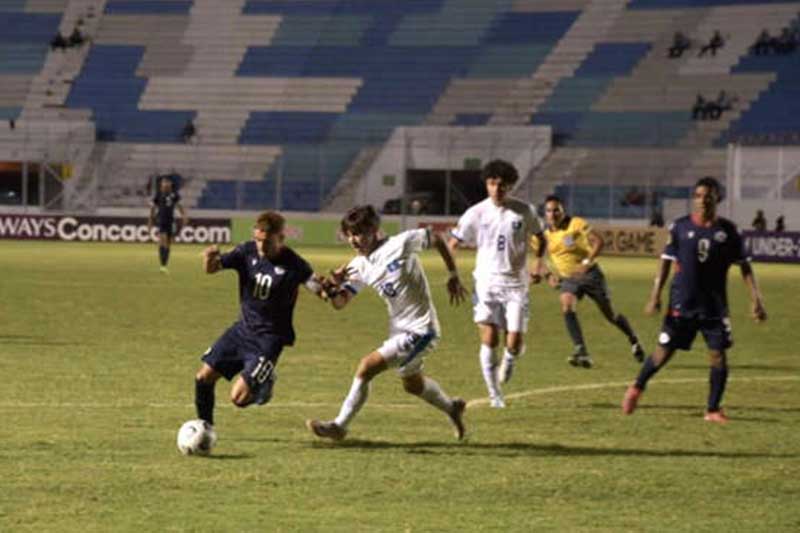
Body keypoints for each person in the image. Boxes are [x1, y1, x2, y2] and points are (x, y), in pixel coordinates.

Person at [306, 205, 469, 441]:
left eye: (359, 233)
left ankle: (339, 426)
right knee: (412, 385)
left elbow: (437, 239)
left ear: (374, 230)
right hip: (399, 331)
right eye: (349, 234)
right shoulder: (358, 265)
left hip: (421, 329)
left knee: (366, 367)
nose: (354, 240)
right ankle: (452, 407)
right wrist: (332, 288)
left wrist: (453, 275)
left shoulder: (400, 243)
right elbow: (341, 303)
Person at [622, 176, 767, 423]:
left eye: (707, 195)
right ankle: (636, 388)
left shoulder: (728, 231)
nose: (702, 200)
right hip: (682, 303)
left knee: (718, 355)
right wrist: (655, 295)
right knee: (662, 353)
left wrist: (756, 299)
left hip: (714, 306)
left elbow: (744, 267)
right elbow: (665, 263)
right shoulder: (679, 227)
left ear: (716, 198)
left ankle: (712, 410)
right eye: (698, 196)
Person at [194, 211, 330, 430]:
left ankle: (265, 383)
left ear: (281, 238)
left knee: (238, 399)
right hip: (242, 330)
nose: (261, 246)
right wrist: (209, 258)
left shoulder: (295, 264)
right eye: (258, 240)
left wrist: (329, 288)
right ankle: (204, 428)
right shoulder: (245, 252)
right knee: (203, 377)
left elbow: (320, 291)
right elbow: (211, 269)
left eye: (267, 242)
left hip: (269, 340)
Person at [447, 159, 546, 408]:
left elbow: (540, 238)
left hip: (516, 285)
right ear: (486, 184)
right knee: (489, 338)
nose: (496, 189)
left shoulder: (524, 211)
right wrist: (453, 275)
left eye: (502, 185)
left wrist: (538, 263)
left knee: (513, 341)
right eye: (492, 184)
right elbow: (453, 244)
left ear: (510, 185)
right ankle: (495, 395)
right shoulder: (476, 213)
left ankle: (510, 359)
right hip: (486, 283)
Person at [538, 195, 645, 368]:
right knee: (566, 304)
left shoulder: (576, 223)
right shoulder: (544, 236)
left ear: (563, 210)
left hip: (591, 275)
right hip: (569, 279)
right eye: (549, 210)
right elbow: (539, 262)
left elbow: (599, 241)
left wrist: (586, 263)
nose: (553, 214)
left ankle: (633, 339)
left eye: (556, 209)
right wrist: (548, 276)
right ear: (545, 213)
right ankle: (581, 351)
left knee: (610, 315)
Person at [148, 176, 188, 273]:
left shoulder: (174, 195)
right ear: (161, 184)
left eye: (167, 182)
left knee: (168, 244)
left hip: (171, 221)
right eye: (163, 182)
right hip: (161, 220)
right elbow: (153, 209)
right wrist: (150, 221)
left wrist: (184, 216)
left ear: (170, 184)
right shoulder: (158, 195)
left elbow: (180, 206)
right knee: (163, 240)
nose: (165, 184)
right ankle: (162, 265)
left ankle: (164, 264)